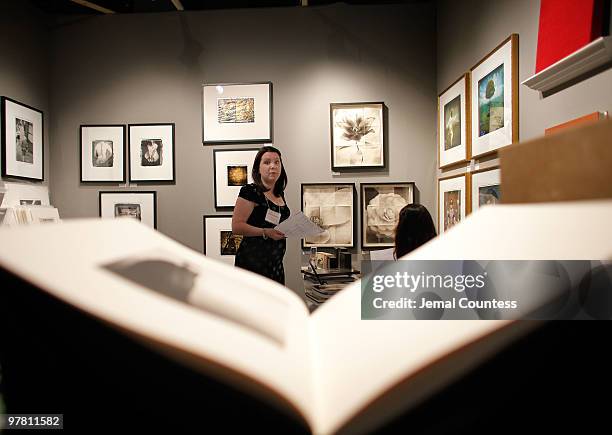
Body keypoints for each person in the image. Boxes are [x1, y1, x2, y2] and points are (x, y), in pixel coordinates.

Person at [232, 146, 290, 284]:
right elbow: (236, 227)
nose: (273, 166)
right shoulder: (250, 191)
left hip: (275, 265)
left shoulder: (279, 193)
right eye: (267, 162)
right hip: (253, 265)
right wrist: (265, 232)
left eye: (277, 162)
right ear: (258, 168)